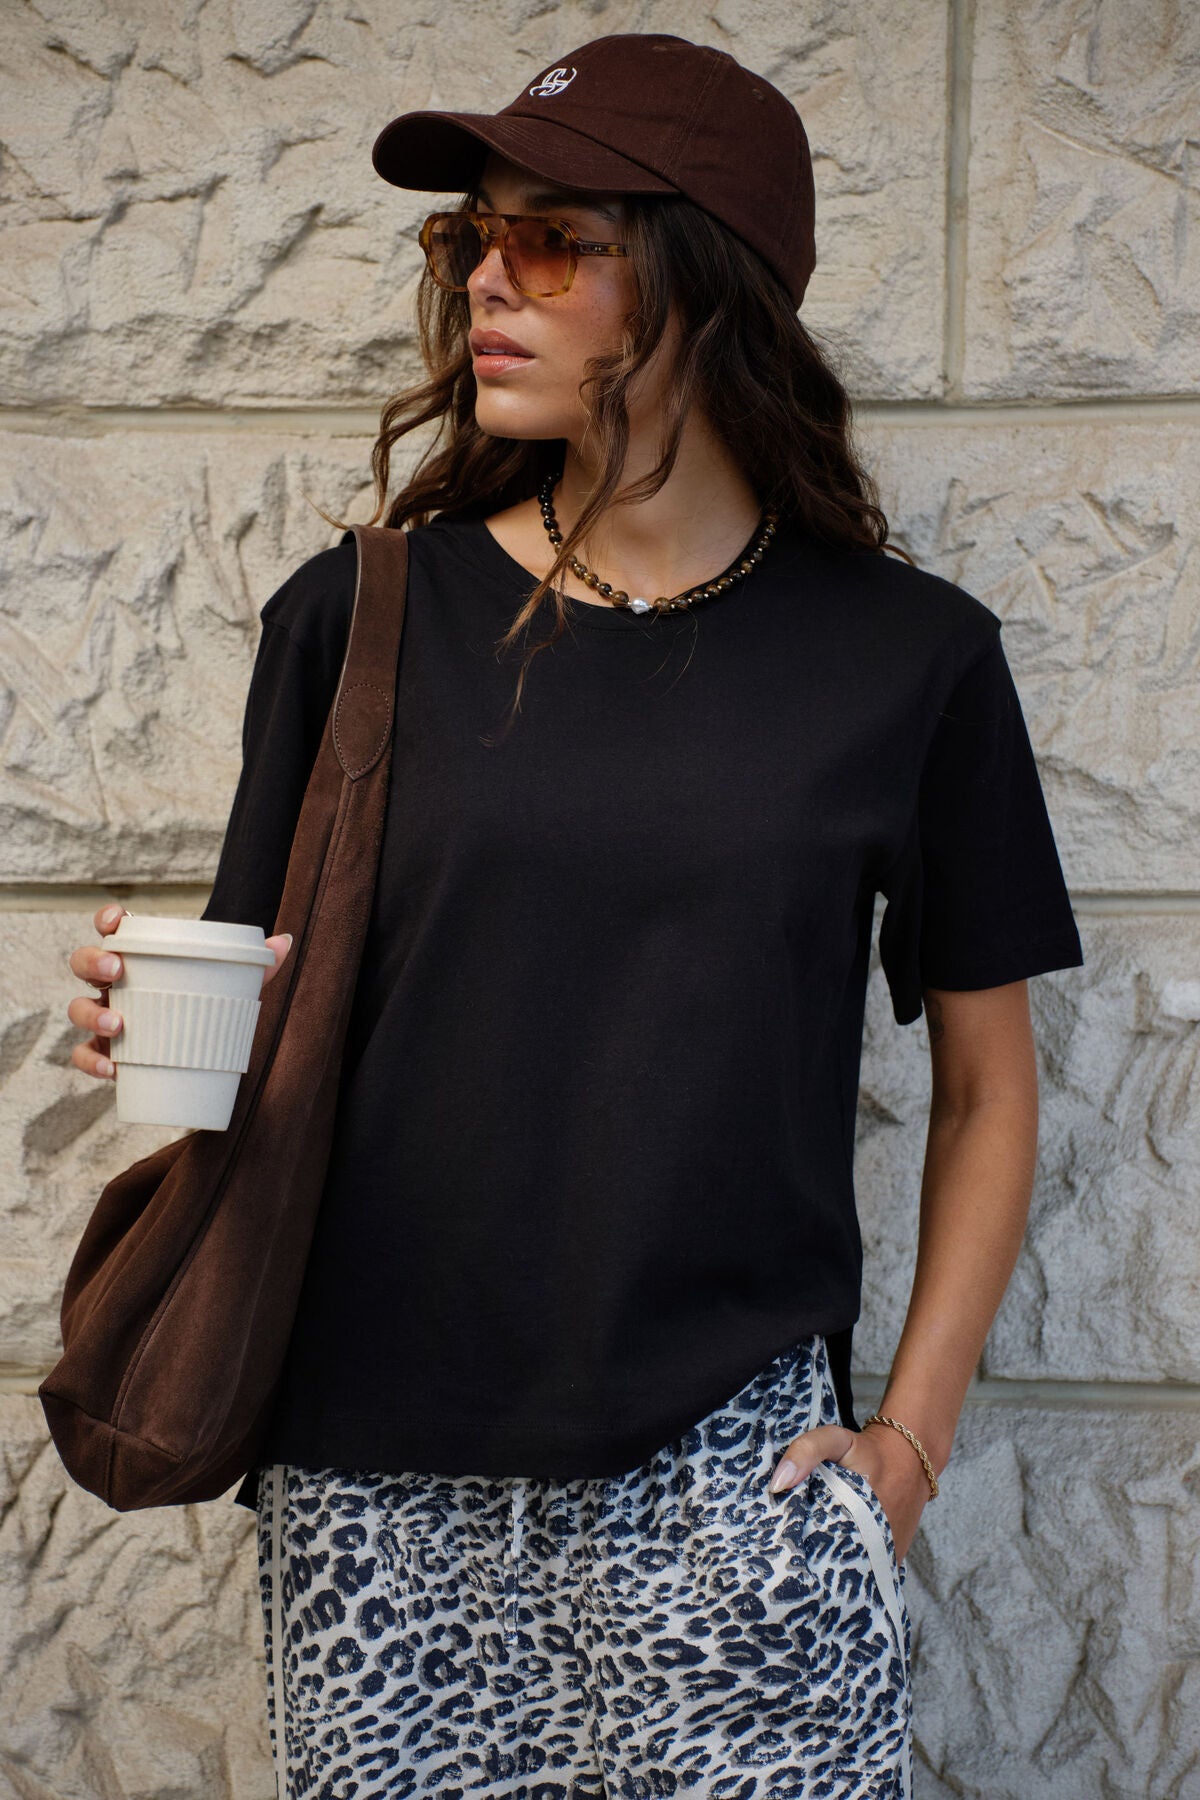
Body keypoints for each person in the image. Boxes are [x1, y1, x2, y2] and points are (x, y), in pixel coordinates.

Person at [65, 31, 1084, 1800]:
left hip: (735, 1485)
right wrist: (140, 1024)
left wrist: (903, 1457)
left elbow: (994, 1090)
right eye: (472, 237)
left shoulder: (908, 662)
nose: (486, 281)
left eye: (553, 242)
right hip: (379, 1492)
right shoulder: (355, 618)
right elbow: (253, 1012)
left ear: (709, 284)